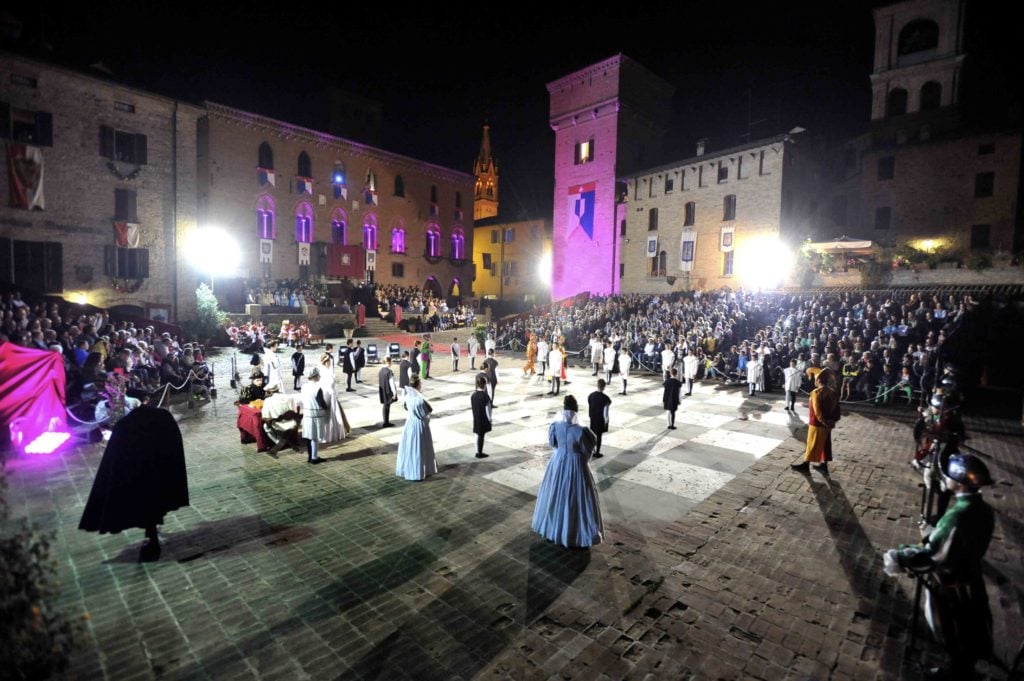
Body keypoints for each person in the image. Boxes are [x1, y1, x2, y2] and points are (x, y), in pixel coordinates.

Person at [883, 454, 995, 680]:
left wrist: (901, 556)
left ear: (961, 483)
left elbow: (935, 556)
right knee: (970, 629)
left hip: (953, 584)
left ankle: (957, 673)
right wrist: (933, 534)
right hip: (972, 578)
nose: (946, 479)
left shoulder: (957, 516)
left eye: (950, 476)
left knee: (953, 631)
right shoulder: (983, 509)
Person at [78, 404, 188, 562]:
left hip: (136, 473)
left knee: (146, 500)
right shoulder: (161, 419)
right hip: (155, 470)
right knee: (153, 501)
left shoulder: (126, 426)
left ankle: (151, 537)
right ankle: (152, 537)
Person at [531, 395, 604, 548]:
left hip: (557, 461)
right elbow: (587, 451)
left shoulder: (555, 426)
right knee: (575, 497)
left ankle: (553, 529)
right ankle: (573, 532)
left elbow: (552, 443)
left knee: (555, 494)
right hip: (575, 463)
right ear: (576, 411)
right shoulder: (581, 431)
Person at [791, 367, 840, 474]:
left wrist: (824, 422)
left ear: (818, 381)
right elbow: (837, 409)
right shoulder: (832, 392)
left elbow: (818, 411)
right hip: (828, 424)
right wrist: (832, 421)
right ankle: (824, 465)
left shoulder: (816, 393)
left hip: (817, 423)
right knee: (826, 443)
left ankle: (806, 465)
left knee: (812, 443)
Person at [395, 375, 437, 480]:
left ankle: (409, 469)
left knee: (410, 446)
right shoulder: (420, 400)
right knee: (420, 447)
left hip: (410, 424)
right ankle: (420, 470)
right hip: (420, 425)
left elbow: (405, 407)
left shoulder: (407, 397)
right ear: (418, 385)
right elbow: (429, 410)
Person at [299, 366, 328, 464]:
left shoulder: (304, 386)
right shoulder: (318, 387)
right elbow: (320, 401)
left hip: (307, 414)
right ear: (315, 376)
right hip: (316, 414)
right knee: (314, 437)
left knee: (308, 436)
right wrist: (326, 407)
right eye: (318, 375)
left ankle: (310, 456)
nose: (320, 376)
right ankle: (314, 457)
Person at [261, 384, 301, 455]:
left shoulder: (268, 400)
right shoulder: (289, 397)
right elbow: (293, 411)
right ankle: (284, 442)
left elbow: (265, 416)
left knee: (265, 426)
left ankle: (279, 442)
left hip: (278, 425)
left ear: (269, 391)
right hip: (292, 423)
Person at [588, 379, 611, 459]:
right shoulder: (606, 399)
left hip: (593, 418)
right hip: (600, 419)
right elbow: (606, 412)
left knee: (593, 435)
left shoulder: (591, 395)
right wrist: (606, 421)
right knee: (599, 436)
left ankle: (592, 450)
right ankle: (597, 452)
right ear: (604, 387)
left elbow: (590, 407)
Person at [471, 374, 492, 458]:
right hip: (483, 418)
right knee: (481, 436)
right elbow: (488, 410)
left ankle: (477, 450)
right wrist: (490, 419)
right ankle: (479, 453)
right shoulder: (485, 396)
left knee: (476, 434)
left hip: (476, 416)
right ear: (484, 385)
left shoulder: (473, 395)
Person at [378, 356, 398, 427]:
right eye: (391, 361)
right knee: (387, 406)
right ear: (388, 362)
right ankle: (386, 422)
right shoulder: (389, 371)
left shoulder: (381, 371)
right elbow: (391, 383)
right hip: (388, 391)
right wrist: (394, 393)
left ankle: (385, 421)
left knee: (385, 406)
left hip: (382, 390)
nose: (391, 363)